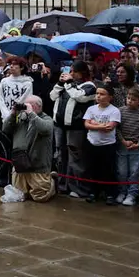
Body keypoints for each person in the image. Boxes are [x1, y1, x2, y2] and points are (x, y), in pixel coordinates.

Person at [51, 61, 97, 199]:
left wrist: (69, 83)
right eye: (69, 71)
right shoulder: (66, 84)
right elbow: (52, 96)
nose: (70, 74)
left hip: (76, 128)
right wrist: (60, 84)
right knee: (60, 156)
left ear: (81, 73)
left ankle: (79, 188)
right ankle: (62, 184)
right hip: (59, 125)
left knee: (76, 158)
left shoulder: (89, 86)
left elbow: (80, 97)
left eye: (73, 71)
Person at [1, 95, 55, 202]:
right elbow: (5, 129)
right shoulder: (20, 118)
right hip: (20, 164)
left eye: (28, 104)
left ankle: (52, 181)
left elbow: (44, 129)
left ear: (37, 106)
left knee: (40, 197)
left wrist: (31, 114)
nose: (24, 107)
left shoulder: (46, 119)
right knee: (19, 195)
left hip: (37, 165)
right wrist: (13, 114)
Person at [82, 86, 122, 204]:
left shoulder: (114, 111)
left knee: (108, 170)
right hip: (92, 143)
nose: (98, 96)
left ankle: (110, 194)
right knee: (93, 169)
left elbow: (109, 127)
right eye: (97, 93)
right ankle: (93, 192)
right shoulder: (91, 109)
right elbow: (87, 125)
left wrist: (95, 123)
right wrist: (100, 126)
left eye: (102, 94)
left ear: (110, 97)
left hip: (107, 145)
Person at [116, 86, 139, 206]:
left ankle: (132, 194)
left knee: (134, 172)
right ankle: (122, 191)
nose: (130, 100)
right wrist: (123, 141)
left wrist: (138, 143)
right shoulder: (120, 111)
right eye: (128, 98)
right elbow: (117, 129)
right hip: (123, 146)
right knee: (122, 171)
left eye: (133, 99)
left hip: (137, 148)